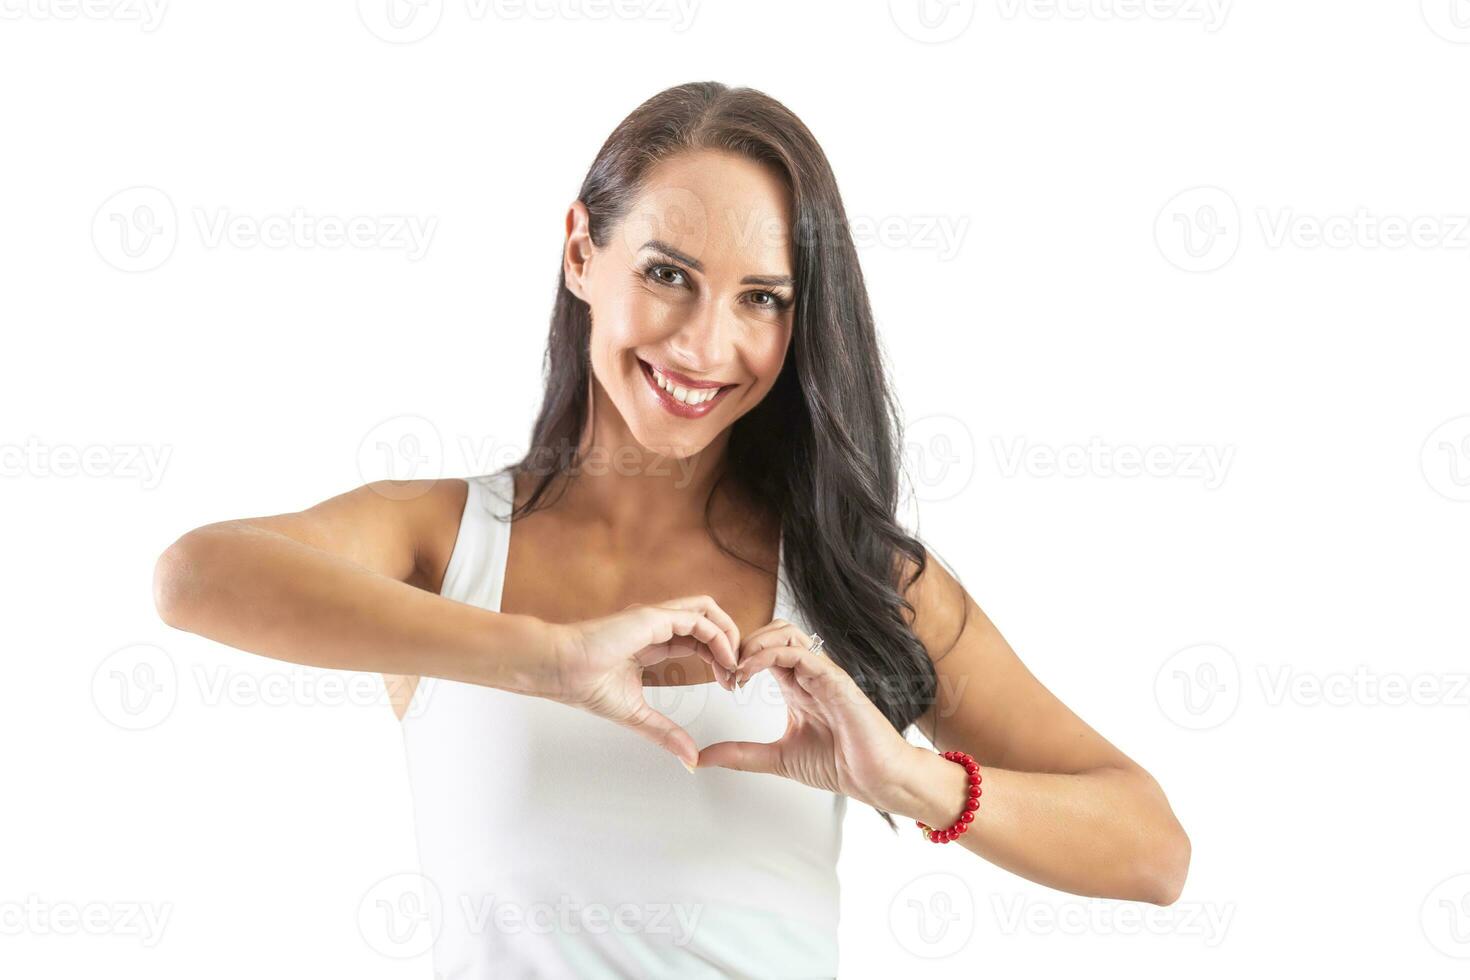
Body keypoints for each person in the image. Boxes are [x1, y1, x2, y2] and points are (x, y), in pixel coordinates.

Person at [152, 80, 1190, 978]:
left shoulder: (861, 577)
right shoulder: (445, 540)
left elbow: (1152, 849)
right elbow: (195, 576)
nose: (706, 343)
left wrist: (906, 779)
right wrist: (551, 658)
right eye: (666, 273)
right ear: (580, 252)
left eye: (762, 298)